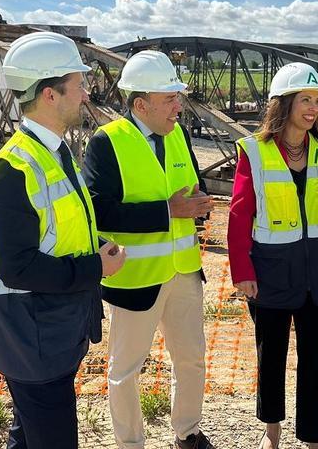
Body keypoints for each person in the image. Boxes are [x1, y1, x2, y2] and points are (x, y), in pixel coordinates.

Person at [0, 31, 126, 449]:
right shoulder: (12, 171)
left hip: (51, 329)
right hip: (31, 337)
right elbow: (16, 267)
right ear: (49, 94)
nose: (86, 93)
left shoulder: (55, 155)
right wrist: (97, 268)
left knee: (29, 436)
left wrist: (96, 247)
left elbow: (59, 231)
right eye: (79, 84)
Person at [227, 62, 318, 449]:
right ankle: (271, 431)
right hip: (271, 272)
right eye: (305, 100)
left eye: (317, 101)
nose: (313, 108)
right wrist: (241, 270)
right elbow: (240, 213)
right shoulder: (254, 151)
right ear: (284, 103)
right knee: (271, 357)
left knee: (315, 361)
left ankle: (313, 438)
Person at [83, 50, 215, 449]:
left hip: (184, 272)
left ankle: (187, 432)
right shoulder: (106, 143)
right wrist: (168, 210)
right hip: (135, 278)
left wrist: (198, 204)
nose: (179, 105)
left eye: (178, 96)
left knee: (191, 359)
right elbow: (98, 210)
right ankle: (130, 444)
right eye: (170, 98)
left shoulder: (179, 135)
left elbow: (191, 186)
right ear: (140, 104)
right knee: (125, 369)